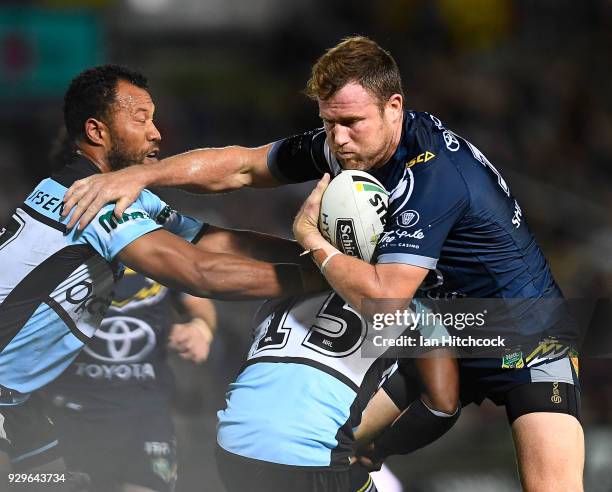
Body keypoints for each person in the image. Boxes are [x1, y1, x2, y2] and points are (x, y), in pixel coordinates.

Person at [60, 37, 583, 491]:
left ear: (394, 107)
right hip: (442, 325)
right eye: (328, 123)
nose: (337, 139)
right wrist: (142, 178)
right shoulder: (351, 145)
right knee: (329, 444)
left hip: (522, 335)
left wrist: (312, 239)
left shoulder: (437, 176)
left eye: (351, 123)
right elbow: (240, 167)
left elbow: (385, 299)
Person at [0, 64, 324, 485]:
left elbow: (210, 241)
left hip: (18, 403)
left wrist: (313, 255)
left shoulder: (117, 194)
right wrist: (330, 277)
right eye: (140, 119)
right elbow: (199, 273)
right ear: (97, 132)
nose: (156, 132)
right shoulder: (90, 200)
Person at [41, 268, 216, 492]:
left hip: (145, 415)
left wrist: (200, 329)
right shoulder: (58, 252)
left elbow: (200, 303)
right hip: (67, 412)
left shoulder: (162, 251)